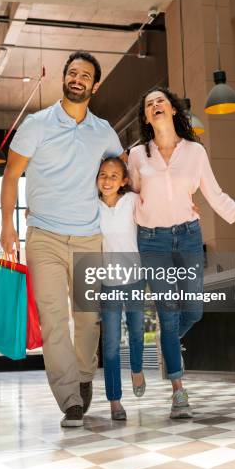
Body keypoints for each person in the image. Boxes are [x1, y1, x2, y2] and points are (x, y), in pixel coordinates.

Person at [128, 86, 235, 419]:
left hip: (188, 237)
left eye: (160, 101)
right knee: (168, 312)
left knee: (193, 311)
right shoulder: (137, 156)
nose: (155, 106)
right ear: (146, 117)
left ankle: (166, 343)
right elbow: (129, 198)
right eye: (149, 104)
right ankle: (179, 392)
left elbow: (216, 194)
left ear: (174, 109)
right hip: (152, 242)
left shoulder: (195, 152)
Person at [0, 51, 124, 428]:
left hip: (89, 238)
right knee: (55, 320)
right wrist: (8, 225)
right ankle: (69, 398)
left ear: (94, 85)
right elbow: (10, 176)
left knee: (88, 320)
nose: (77, 79)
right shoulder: (36, 125)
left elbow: (120, 177)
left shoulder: (104, 131)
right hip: (45, 238)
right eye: (72, 73)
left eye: (85, 75)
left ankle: (85, 375)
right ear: (64, 78)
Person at [97, 157, 146, 420]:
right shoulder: (91, 207)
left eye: (114, 175)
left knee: (137, 332)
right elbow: (66, 214)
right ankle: (115, 400)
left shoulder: (132, 201)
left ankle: (137, 368)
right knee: (112, 343)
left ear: (124, 181)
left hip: (136, 278)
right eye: (103, 175)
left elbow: (157, 210)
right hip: (109, 283)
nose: (107, 180)